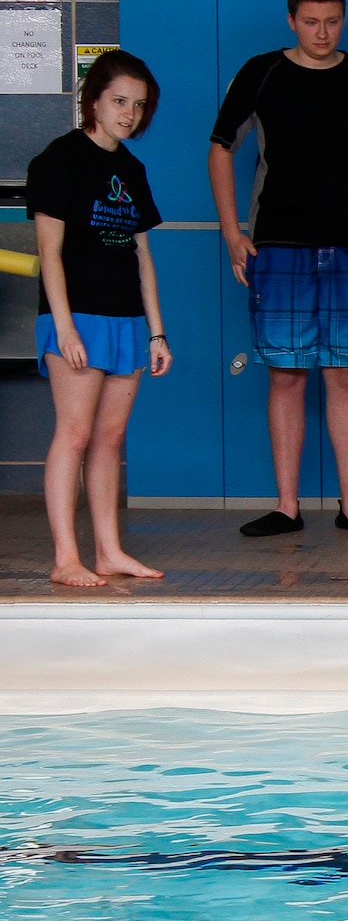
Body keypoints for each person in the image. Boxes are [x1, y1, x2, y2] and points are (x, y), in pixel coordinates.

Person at [209, 0, 348, 539]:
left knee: (345, 375)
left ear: (344, 19)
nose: (323, 32)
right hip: (279, 245)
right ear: (291, 20)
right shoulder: (261, 72)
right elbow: (221, 148)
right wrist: (231, 233)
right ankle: (287, 507)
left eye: (334, 21)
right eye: (312, 22)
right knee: (287, 375)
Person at [29, 51, 171, 587]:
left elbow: (141, 255)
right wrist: (64, 328)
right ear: (93, 98)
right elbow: (50, 252)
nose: (128, 114)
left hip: (126, 319)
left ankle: (109, 550)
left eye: (138, 106)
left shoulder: (131, 168)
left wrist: (156, 331)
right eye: (118, 102)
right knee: (75, 432)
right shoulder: (59, 159)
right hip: (78, 316)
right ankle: (66, 556)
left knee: (110, 437)